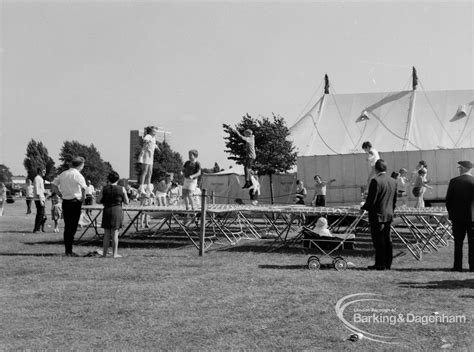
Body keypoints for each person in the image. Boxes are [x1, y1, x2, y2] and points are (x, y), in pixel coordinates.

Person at [360, 159, 397, 270]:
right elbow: (394, 200)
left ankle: (380, 263)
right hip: (388, 213)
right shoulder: (393, 181)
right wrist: (392, 211)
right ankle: (387, 263)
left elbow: (372, 200)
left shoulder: (375, 181)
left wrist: (363, 208)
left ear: (376, 169)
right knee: (387, 239)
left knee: (378, 240)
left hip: (377, 215)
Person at [52, 157, 87, 257]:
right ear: (80, 165)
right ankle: (69, 250)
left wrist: (59, 194)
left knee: (67, 226)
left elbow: (53, 185)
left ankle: (68, 249)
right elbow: (84, 188)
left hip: (66, 201)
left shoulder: (63, 173)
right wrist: (83, 198)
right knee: (73, 227)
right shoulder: (78, 175)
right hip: (75, 202)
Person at [445, 160, 474, 272]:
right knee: (473, 243)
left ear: (461, 168)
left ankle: (458, 266)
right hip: (472, 217)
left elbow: (448, 200)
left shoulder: (454, 181)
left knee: (458, 243)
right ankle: (472, 266)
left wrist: (451, 213)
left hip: (457, 217)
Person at [96, 171, 129, 258]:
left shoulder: (104, 188)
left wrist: (105, 201)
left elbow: (98, 201)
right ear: (117, 179)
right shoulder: (122, 189)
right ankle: (115, 254)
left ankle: (104, 254)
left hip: (107, 210)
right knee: (115, 233)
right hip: (117, 210)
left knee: (106, 233)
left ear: (108, 179)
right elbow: (127, 201)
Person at [138, 126, 161, 196]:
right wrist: (146, 141)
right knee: (144, 171)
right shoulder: (148, 136)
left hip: (151, 156)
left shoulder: (153, 138)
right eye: (153, 131)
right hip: (146, 155)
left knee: (150, 172)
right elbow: (145, 139)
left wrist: (157, 148)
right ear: (150, 131)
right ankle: (141, 187)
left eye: (155, 132)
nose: (155, 133)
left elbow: (153, 144)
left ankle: (148, 187)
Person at [33, 167, 47, 233]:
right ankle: (36, 229)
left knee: (41, 214)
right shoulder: (37, 178)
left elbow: (42, 190)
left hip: (41, 198)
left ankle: (38, 228)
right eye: (43, 171)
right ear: (39, 171)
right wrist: (41, 199)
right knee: (40, 214)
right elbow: (37, 189)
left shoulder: (40, 179)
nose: (45, 172)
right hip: (39, 199)